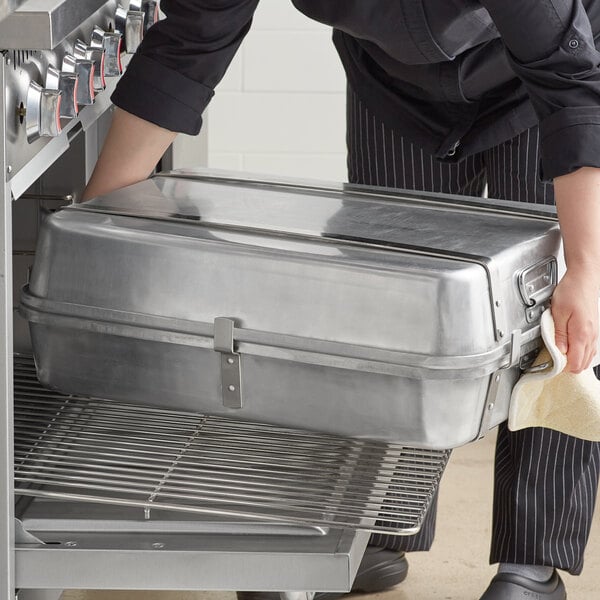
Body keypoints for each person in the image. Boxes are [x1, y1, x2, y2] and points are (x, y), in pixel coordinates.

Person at [83, 2, 600, 599]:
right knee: (390, 305)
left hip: (555, 74)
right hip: (393, 86)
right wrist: (98, 216)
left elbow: (570, 83)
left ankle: (531, 564)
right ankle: (379, 530)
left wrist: (586, 269)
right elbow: (194, 37)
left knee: (551, 316)